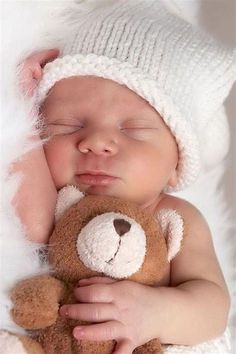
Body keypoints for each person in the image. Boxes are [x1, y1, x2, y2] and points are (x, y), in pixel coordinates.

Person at [13, 1, 236, 353]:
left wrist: (154, 312)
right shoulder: (60, 202)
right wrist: (18, 114)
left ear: (177, 164)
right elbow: (34, 223)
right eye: (69, 125)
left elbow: (212, 306)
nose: (96, 143)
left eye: (132, 129)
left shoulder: (175, 217)